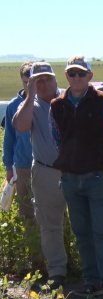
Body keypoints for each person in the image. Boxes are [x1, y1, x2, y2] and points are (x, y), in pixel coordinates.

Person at [49, 56, 103, 299]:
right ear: (66, 77)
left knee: (102, 231)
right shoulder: (57, 105)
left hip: (97, 177)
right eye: (72, 74)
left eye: (81, 74)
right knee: (81, 231)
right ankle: (92, 281)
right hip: (71, 178)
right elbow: (57, 139)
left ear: (90, 76)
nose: (76, 78)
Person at [12, 62, 68, 289]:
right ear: (32, 83)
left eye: (47, 79)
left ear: (56, 80)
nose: (44, 84)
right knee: (49, 225)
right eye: (38, 80)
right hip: (45, 171)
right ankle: (57, 272)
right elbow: (20, 126)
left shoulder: (69, 99)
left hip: (76, 171)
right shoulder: (30, 106)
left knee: (86, 222)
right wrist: (30, 94)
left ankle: (91, 272)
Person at [2, 62, 43, 272]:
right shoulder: (13, 106)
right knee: (28, 214)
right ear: (22, 81)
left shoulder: (48, 100)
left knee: (52, 213)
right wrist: (9, 167)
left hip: (47, 166)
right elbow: (9, 139)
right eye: (27, 82)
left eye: (34, 82)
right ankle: (37, 263)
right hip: (24, 166)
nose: (31, 87)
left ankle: (59, 261)